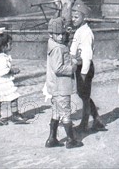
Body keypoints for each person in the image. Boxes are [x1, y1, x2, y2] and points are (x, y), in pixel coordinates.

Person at [69, 0, 106, 133]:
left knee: (84, 96)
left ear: (84, 18)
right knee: (83, 94)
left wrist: (83, 73)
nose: (73, 19)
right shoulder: (79, 30)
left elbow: (87, 55)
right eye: (72, 16)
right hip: (79, 67)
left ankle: (85, 124)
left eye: (76, 17)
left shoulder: (86, 33)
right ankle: (96, 119)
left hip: (85, 68)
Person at [45, 17, 82, 149]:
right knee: (66, 112)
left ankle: (52, 138)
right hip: (61, 86)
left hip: (55, 86)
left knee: (56, 112)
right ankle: (71, 140)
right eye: (57, 34)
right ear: (51, 34)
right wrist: (73, 67)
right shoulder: (58, 49)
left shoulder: (53, 45)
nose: (61, 36)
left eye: (62, 33)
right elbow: (58, 68)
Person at [0, 29, 28, 126]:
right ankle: (14, 115)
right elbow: (3, 71)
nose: (11, 46)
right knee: (13, 97)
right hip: (1, 81)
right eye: (10, 44)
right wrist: (13, 70)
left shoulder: (1, 56)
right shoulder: (1, 58)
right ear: (3, 46)